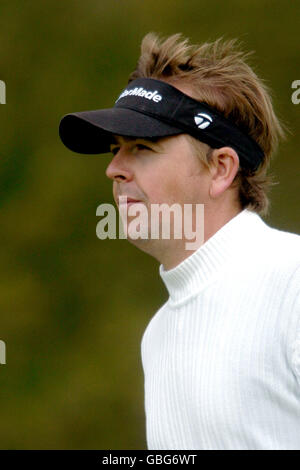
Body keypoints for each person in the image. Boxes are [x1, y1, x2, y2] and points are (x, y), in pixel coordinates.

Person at [59, 33, 300, 450]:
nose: (113, 169)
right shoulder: (158, 335)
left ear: (221, 168)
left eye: (142, 147)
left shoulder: (293, 282)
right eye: (116, 149)